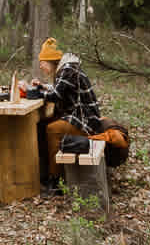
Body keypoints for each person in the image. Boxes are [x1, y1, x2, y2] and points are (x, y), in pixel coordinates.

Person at [20, 37, 101, 194]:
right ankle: (43, 173)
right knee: (41, 126)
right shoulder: (65, 69)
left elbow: (56, 95)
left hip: (86, 121)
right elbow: (60, 88)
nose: (41, 66)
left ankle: (56, 181)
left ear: (51, 61)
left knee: (52, 129)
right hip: (81, 116)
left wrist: (32, 92)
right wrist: (42, 87)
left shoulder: (68, 70)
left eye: (42, 62)